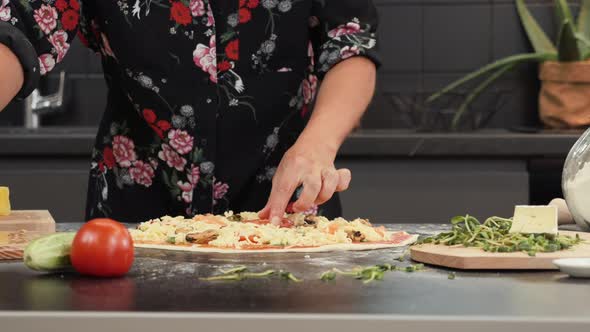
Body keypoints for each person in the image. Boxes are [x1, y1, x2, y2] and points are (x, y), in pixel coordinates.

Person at [0, 0, 379, 224]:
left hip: (285, 207)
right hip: (133, 221)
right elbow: (17, 30)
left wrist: (316, 146)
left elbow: (350, 43)